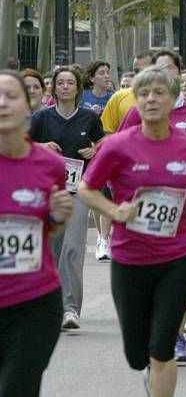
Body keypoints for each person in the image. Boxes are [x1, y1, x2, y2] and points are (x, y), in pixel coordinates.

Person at [78, 66, 186, 397]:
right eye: (143, 94)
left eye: (159, 93)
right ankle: (149, 371)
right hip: (129, 261)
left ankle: (159, 376)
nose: (151, 99)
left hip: (175, 259)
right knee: (137, 353)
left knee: (162, 348)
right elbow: (87, 189)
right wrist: (114, 211)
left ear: (173, 100)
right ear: (135, 102)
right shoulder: (117, 146)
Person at [0, 70, 74, 397]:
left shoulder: (50, 164)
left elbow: (52, 228)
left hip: (34, 303)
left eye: (11, 97)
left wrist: (58, 216)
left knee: (17, 389)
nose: (2, 104)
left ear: (30, 104)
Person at [28, 66, 104, 329]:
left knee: (73, 248)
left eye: (70, 83)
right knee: (51, 250)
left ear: (77, 88)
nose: (65, 87)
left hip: (79, 190)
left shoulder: (88, 118)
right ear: (54, 88)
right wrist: (40, 146)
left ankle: (70, 309)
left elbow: (103, 145)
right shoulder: (41, 118)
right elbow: (19, 146)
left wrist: (94, 150)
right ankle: (49, 305)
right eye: (60, 82)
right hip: (48, 192)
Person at [81, 60, 115, 262]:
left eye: (108, 72)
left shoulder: (114, 97)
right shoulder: (83, 96)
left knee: (107, 197)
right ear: (92, 77)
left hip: (109, 151)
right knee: (96, 196)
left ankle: (103, 240)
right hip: (87, 152)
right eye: (101, 73)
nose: (106, 76)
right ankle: (103, 237)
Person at [100, 50, 153, 133]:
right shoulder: (119, 97)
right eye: (136, 71)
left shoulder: (170, 100)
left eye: (145, 71)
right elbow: (105, 133)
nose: (140, 75)